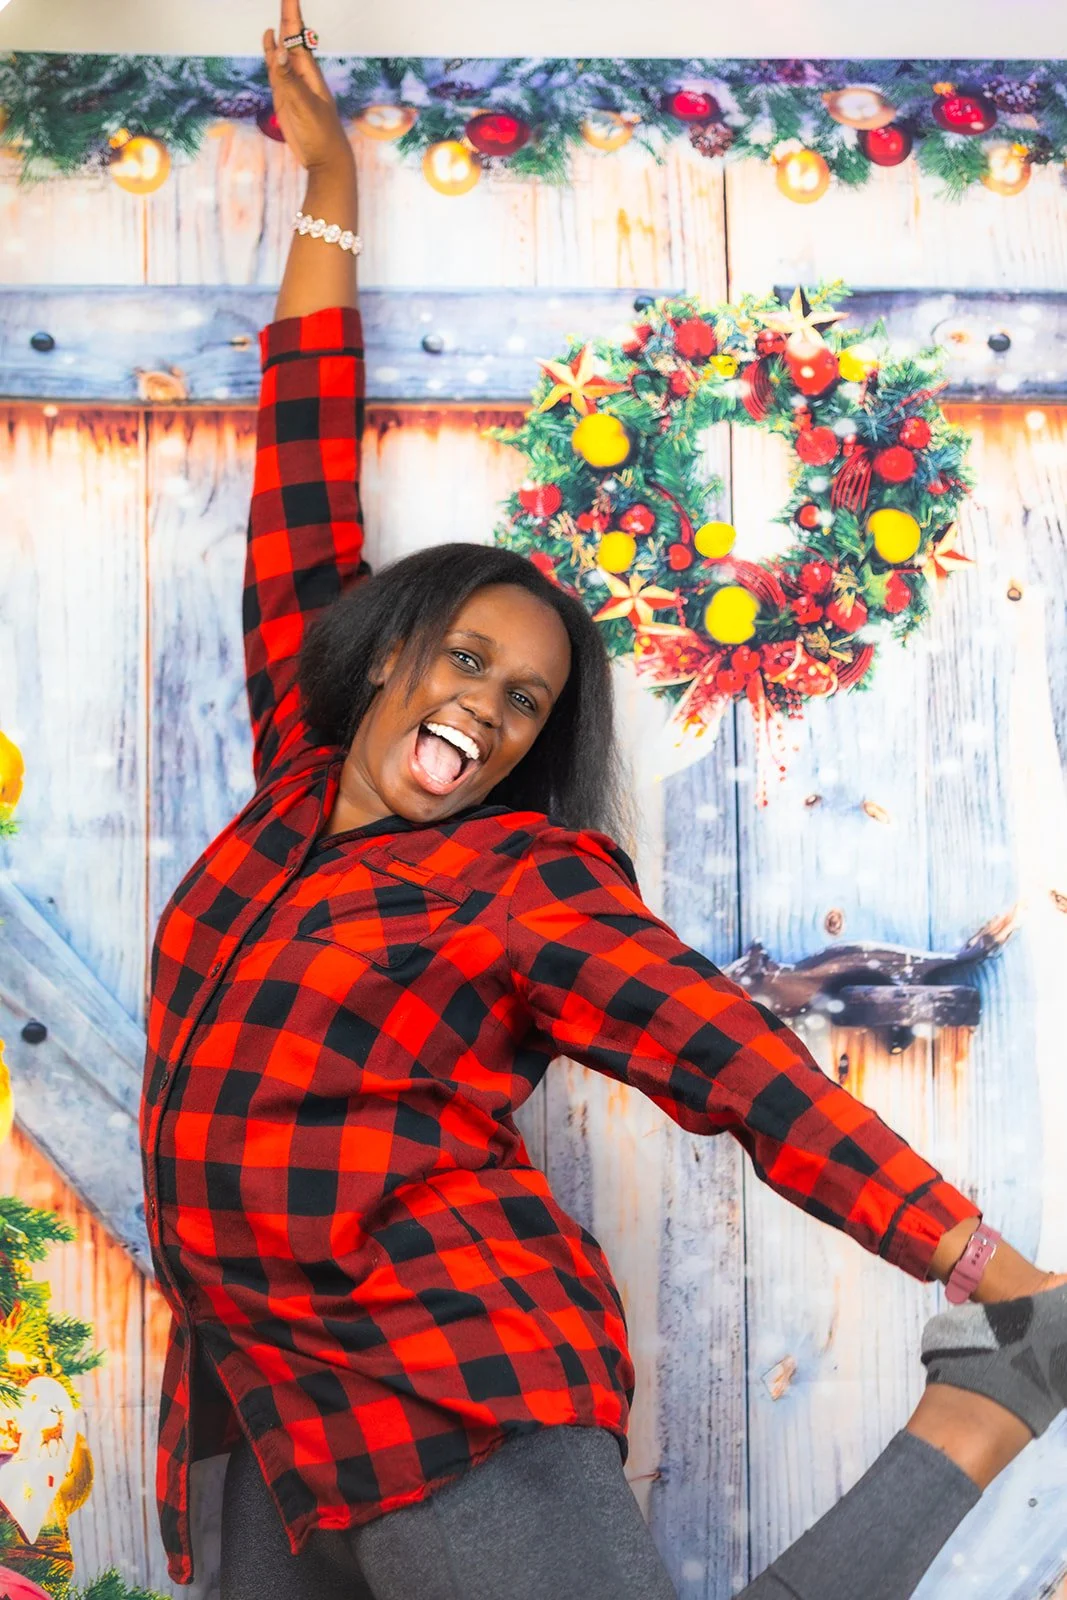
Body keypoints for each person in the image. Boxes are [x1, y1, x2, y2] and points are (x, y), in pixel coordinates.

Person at [138, 10, 1067, 1598]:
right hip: (254, 1405)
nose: (490, 710)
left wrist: (980, 1264)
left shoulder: (523, 883)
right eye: (469, 662)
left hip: (449, 1383)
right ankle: (1004, 1385)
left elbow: (740, 1072)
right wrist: (332, 182)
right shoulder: (292, 773)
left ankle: (997, 1385)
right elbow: (300, 446)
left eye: (527, 703)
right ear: (383, 661)